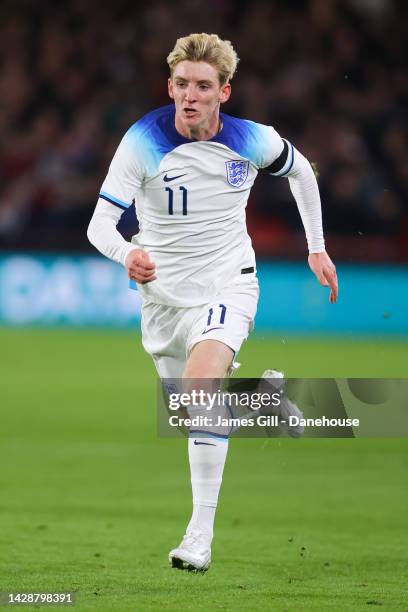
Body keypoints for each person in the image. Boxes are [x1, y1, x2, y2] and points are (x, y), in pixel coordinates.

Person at [87, 32, 338, 573]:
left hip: (228, 282)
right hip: (161, 300)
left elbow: (301, 171)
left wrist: (317, 247)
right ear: (170, 86)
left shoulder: (251, 140)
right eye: (182, 84)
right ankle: (263, 401)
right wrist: (126, 252)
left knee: (201, 393)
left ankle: (198, 538)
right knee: (192, 413)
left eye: (203, 85)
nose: (190, 96)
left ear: (225, 91)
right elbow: (99, 224)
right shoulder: (142, 141)